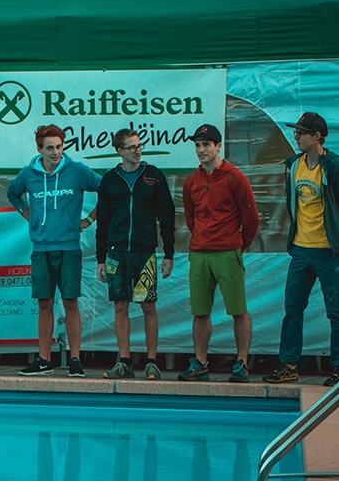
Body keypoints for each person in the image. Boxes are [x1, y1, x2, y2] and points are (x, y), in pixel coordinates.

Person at [7, 124, 101, 377]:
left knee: (71, 302)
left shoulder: (77, 171)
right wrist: (28, 215)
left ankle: (75, 360)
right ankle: (44, 360)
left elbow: (108, 191)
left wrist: (89, 220)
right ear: (39, 149)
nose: (55, 152)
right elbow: (13, 193)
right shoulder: (29, 174)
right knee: (44, 303)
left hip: (69, 246)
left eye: (59, 147)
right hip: (41, 248)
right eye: (50, 148)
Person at [179, 124, 259, 382]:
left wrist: (237, 245)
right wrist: (203, 238)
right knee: (200, 311)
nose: (201, 150)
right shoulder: (191, 181)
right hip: (200, 252)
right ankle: (200, 362)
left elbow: (252, 219)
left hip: (227, 251)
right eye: (197, 145)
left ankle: (241, 362)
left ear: (218, 146)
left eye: (206, 144)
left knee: (238, 309)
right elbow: (191, 219)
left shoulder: (235, 178)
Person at [263, 112, 339, 387]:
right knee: (292, 308)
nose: (296, 137)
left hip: (329, 251)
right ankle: (289, 365)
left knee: (336, 311)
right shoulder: (294, 165)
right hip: (300, 249)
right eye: (295, 132)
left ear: (317, 136)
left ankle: (338, 367)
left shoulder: (332, 165)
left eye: (301, 133)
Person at [95, 129, 176, 380]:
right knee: (120, 305)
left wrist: (168, 253)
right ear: (119, 151)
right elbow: (103, 223)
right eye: (131, 147)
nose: (137, 150)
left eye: (139, 146)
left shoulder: (153, 176)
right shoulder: (109, 179)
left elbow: (167, 215)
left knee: (148, 305)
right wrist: (100, 258)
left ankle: (152, 362)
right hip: (116, 252)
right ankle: (125, 361)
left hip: (144, 252)